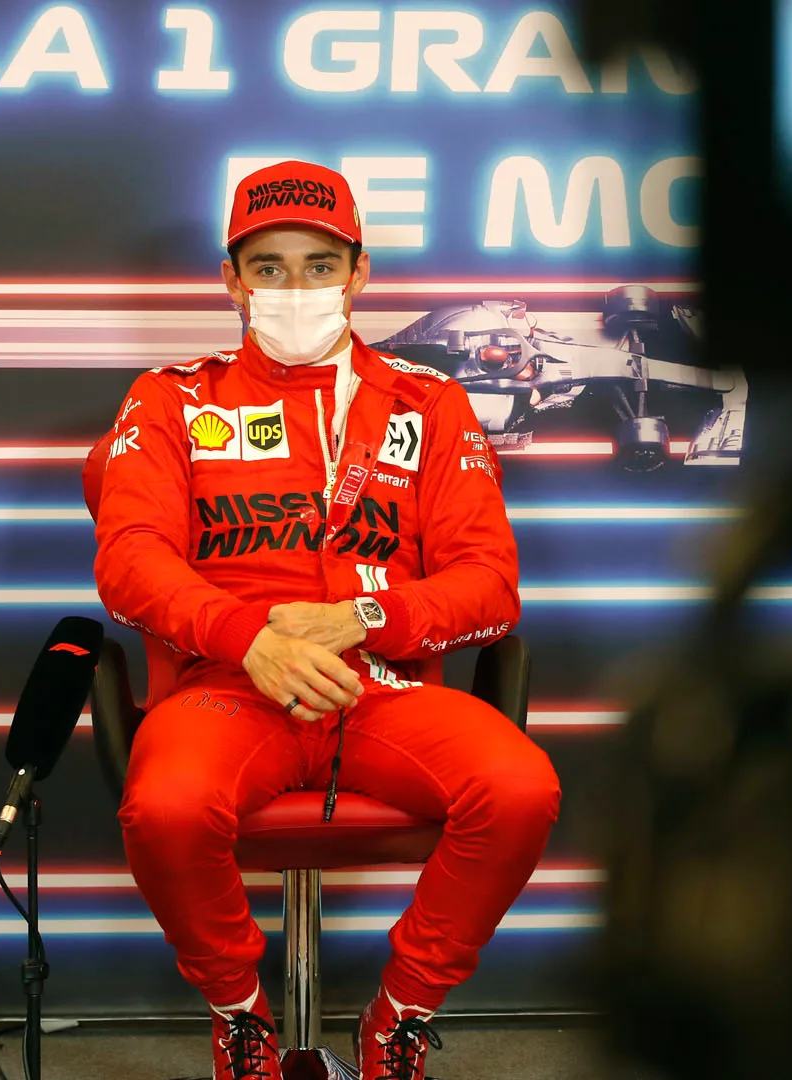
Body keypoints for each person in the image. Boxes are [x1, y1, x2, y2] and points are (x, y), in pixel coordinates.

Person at [81, 160, 560, 1080]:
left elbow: (490, 586)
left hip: (381, 690)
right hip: (229, 688)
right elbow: (130, 562)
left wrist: (366, 617)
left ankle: (400, 1015)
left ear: (359, 272)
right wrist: (250, 640)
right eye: (268, 267)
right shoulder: (171, 398)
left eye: (319, 265)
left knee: (520, 789)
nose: (294, 287)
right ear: (232, 280)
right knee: (165, 807)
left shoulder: (430, 401)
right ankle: (240, 1016)